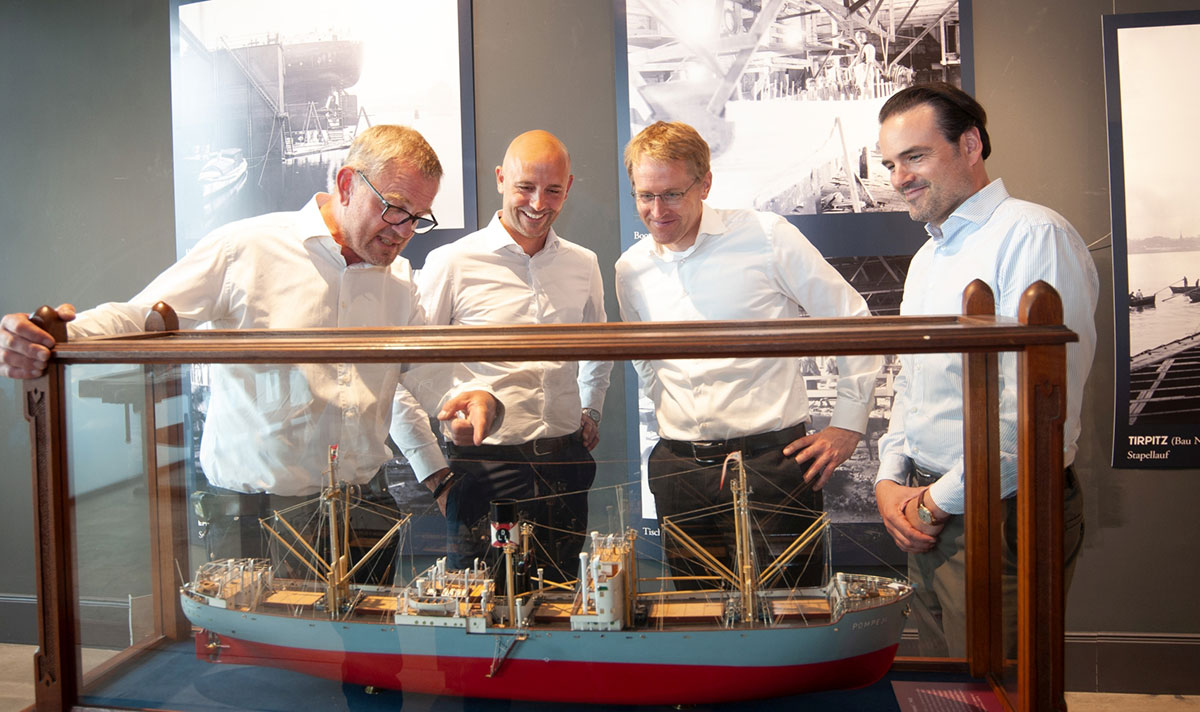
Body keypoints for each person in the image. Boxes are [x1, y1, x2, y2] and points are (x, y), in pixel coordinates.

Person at [0, 125, 500, 572]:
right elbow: (145, 318)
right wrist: (59, 337)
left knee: (366, 648)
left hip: (365, 507)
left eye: (417, 218)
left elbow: (428, 373)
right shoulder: (247, 248)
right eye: (393, 208)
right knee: (259, 649)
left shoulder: (398, 279)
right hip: (256, 516)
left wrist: (474, 397)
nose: (404, 231)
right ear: (347, 183)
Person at [874, 82, 1097, 657]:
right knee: (950, 685)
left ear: (970, 145)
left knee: (1005, 687)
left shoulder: (1034, 235)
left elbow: (1039, 414)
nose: (899, 178)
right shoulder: (927, 257)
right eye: (891, 163)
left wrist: (933, 503)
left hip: (1001, 513)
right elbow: (911, 383)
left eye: (915, 156)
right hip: (928, 507)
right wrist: (889, 479)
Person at [614, 120, 882, 589]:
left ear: (705, 184)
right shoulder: (630, 269)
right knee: (697, 617)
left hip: (770, 466)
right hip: (679, 471)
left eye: (672, 194)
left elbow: (851, 317)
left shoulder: (767, 237)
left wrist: (848, 423)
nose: (657, 211)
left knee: (791, 614)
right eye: (645, 196)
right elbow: (645, 359)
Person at [415, 130, 611, 581]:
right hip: (483, 469)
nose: (539, 203)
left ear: (569, 187)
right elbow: (408, 367)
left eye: (553, 190)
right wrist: (434, 473)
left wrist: (591, 408)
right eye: (525, 187)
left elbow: (598, 346)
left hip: (566, 464)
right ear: (501, 178)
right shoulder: (452, 262)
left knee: (562, 596)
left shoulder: (583, 263)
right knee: (480, 603)